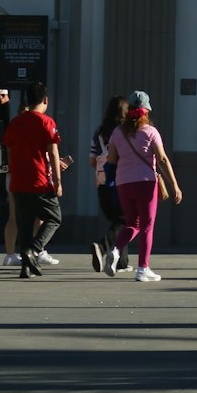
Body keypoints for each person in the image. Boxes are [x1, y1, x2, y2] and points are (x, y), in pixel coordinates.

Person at [103, 89, 182, 282]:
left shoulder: (117, 133)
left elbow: (111, 160)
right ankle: (143, 268)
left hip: (123, 183)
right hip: (145, 183)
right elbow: (162, 158)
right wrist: (175, 185)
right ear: (146, 111)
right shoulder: (150, 132)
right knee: (147, 225)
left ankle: (115, 249)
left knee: (132, 223)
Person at [1, 83, 63, 278]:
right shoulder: (46, 122)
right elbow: (53, 152)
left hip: (18, 181)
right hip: (39, 179)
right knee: (54, 217)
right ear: (45, 100)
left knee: (25, 223)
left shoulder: (16, 122)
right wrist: (57, 181)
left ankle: (26, 267)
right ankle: (35, 249)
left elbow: (9, 150)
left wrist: (13, 171)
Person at [89, 95, 131, 273]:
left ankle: (122, 262)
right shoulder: (124, 131)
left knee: (119, 219)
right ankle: (102, 246)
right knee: (125, 219)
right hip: (119, 179)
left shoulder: (99, 132)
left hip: (101, 180)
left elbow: (92, 159)